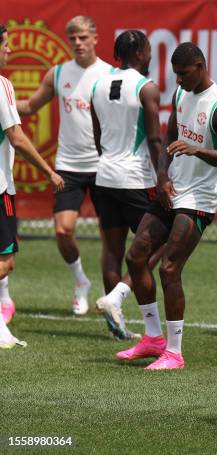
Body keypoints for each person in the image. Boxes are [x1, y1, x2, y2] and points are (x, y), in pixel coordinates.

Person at [116, 42, 217, 370]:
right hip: (173, 190)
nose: (179, 81)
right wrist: (162, 175)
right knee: (135, 255)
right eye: (175, 75)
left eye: (183, 74)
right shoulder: (181, 95)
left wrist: (196, 149)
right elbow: (169, 141)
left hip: (199, 199)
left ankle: (175, 352)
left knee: (169, 267)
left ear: (201, 66)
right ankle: (153, 338)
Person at [17, 16, 111, 316]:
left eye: (83, 37)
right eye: (73, 38)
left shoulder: (109, 75)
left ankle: (112, 302)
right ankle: (81, 282)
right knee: (62, 230)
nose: (78, 43)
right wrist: (3, 104)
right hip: (68, 166)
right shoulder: (58, 73)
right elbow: (31, 106)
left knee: (111, 236)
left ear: (95, 37)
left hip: (103, 165)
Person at [90, 30, 163, 339]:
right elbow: (155, 139)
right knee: (161, 239)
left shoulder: (97, 85)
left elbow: (96, 136)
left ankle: (114, 326)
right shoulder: (146, 87)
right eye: (148, 51)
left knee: (113, 248)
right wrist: (164, 179)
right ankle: (117, 296)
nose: (150, 56)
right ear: (140, 53)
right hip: (135, 178)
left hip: (104, 174)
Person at [0, 24, 64, 348]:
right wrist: (48, 171)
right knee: (6, 261)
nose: (9, 51)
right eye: (6, 45)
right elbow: (17, 136)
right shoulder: (2, 85)